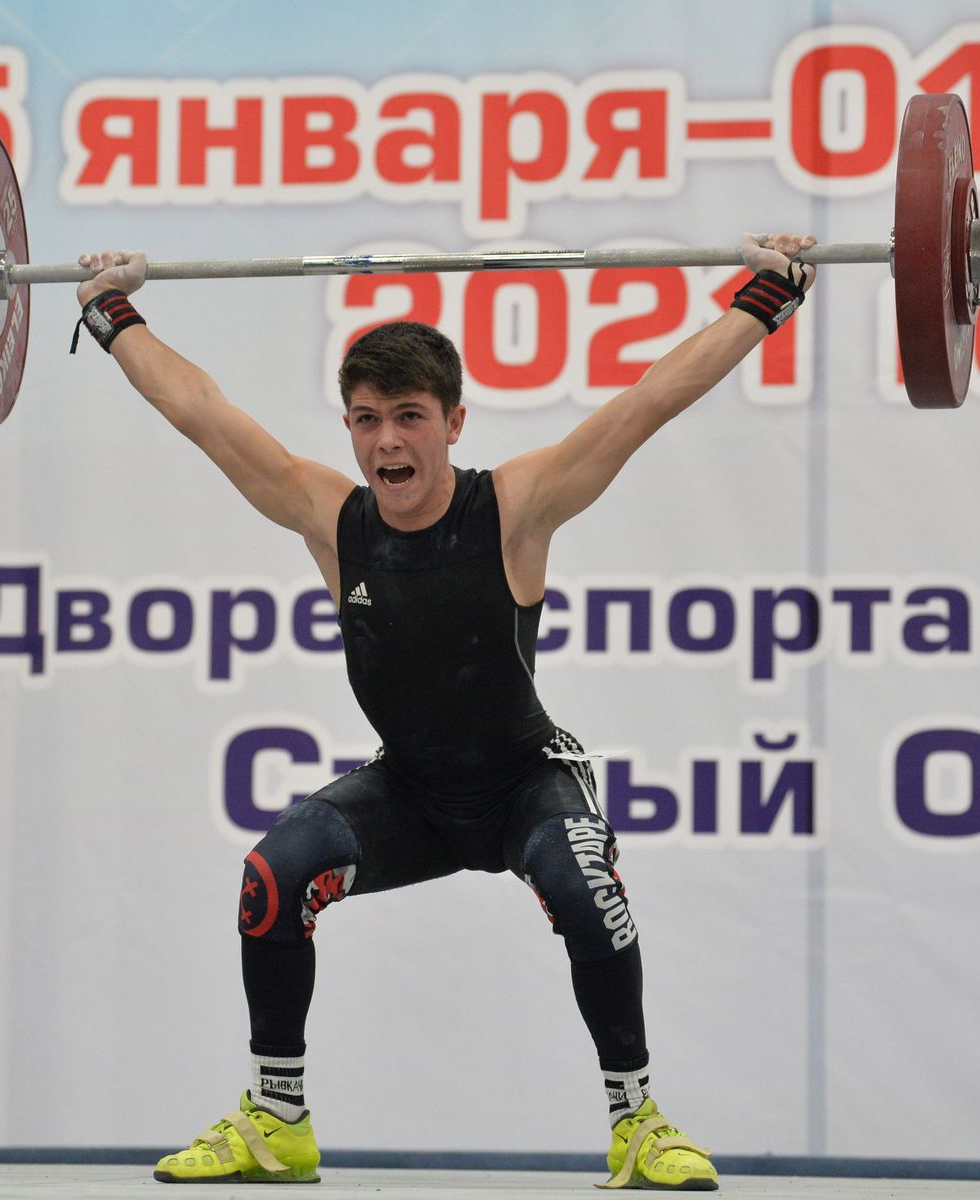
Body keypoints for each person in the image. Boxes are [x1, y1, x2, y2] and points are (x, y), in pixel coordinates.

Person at [73, 234, 816, 1190]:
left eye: (410, 418)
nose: (387, 442)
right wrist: (109, 310)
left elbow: (647, 404)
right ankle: (276, 1123)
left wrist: (766, 297)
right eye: (367, 419)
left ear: (454, 422)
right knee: (271, 878)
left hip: (525, 785)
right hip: (414, 794)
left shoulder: (515, 508)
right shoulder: (330, 517)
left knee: (588, 893)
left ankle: (638, 1123)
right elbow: (200, 413)